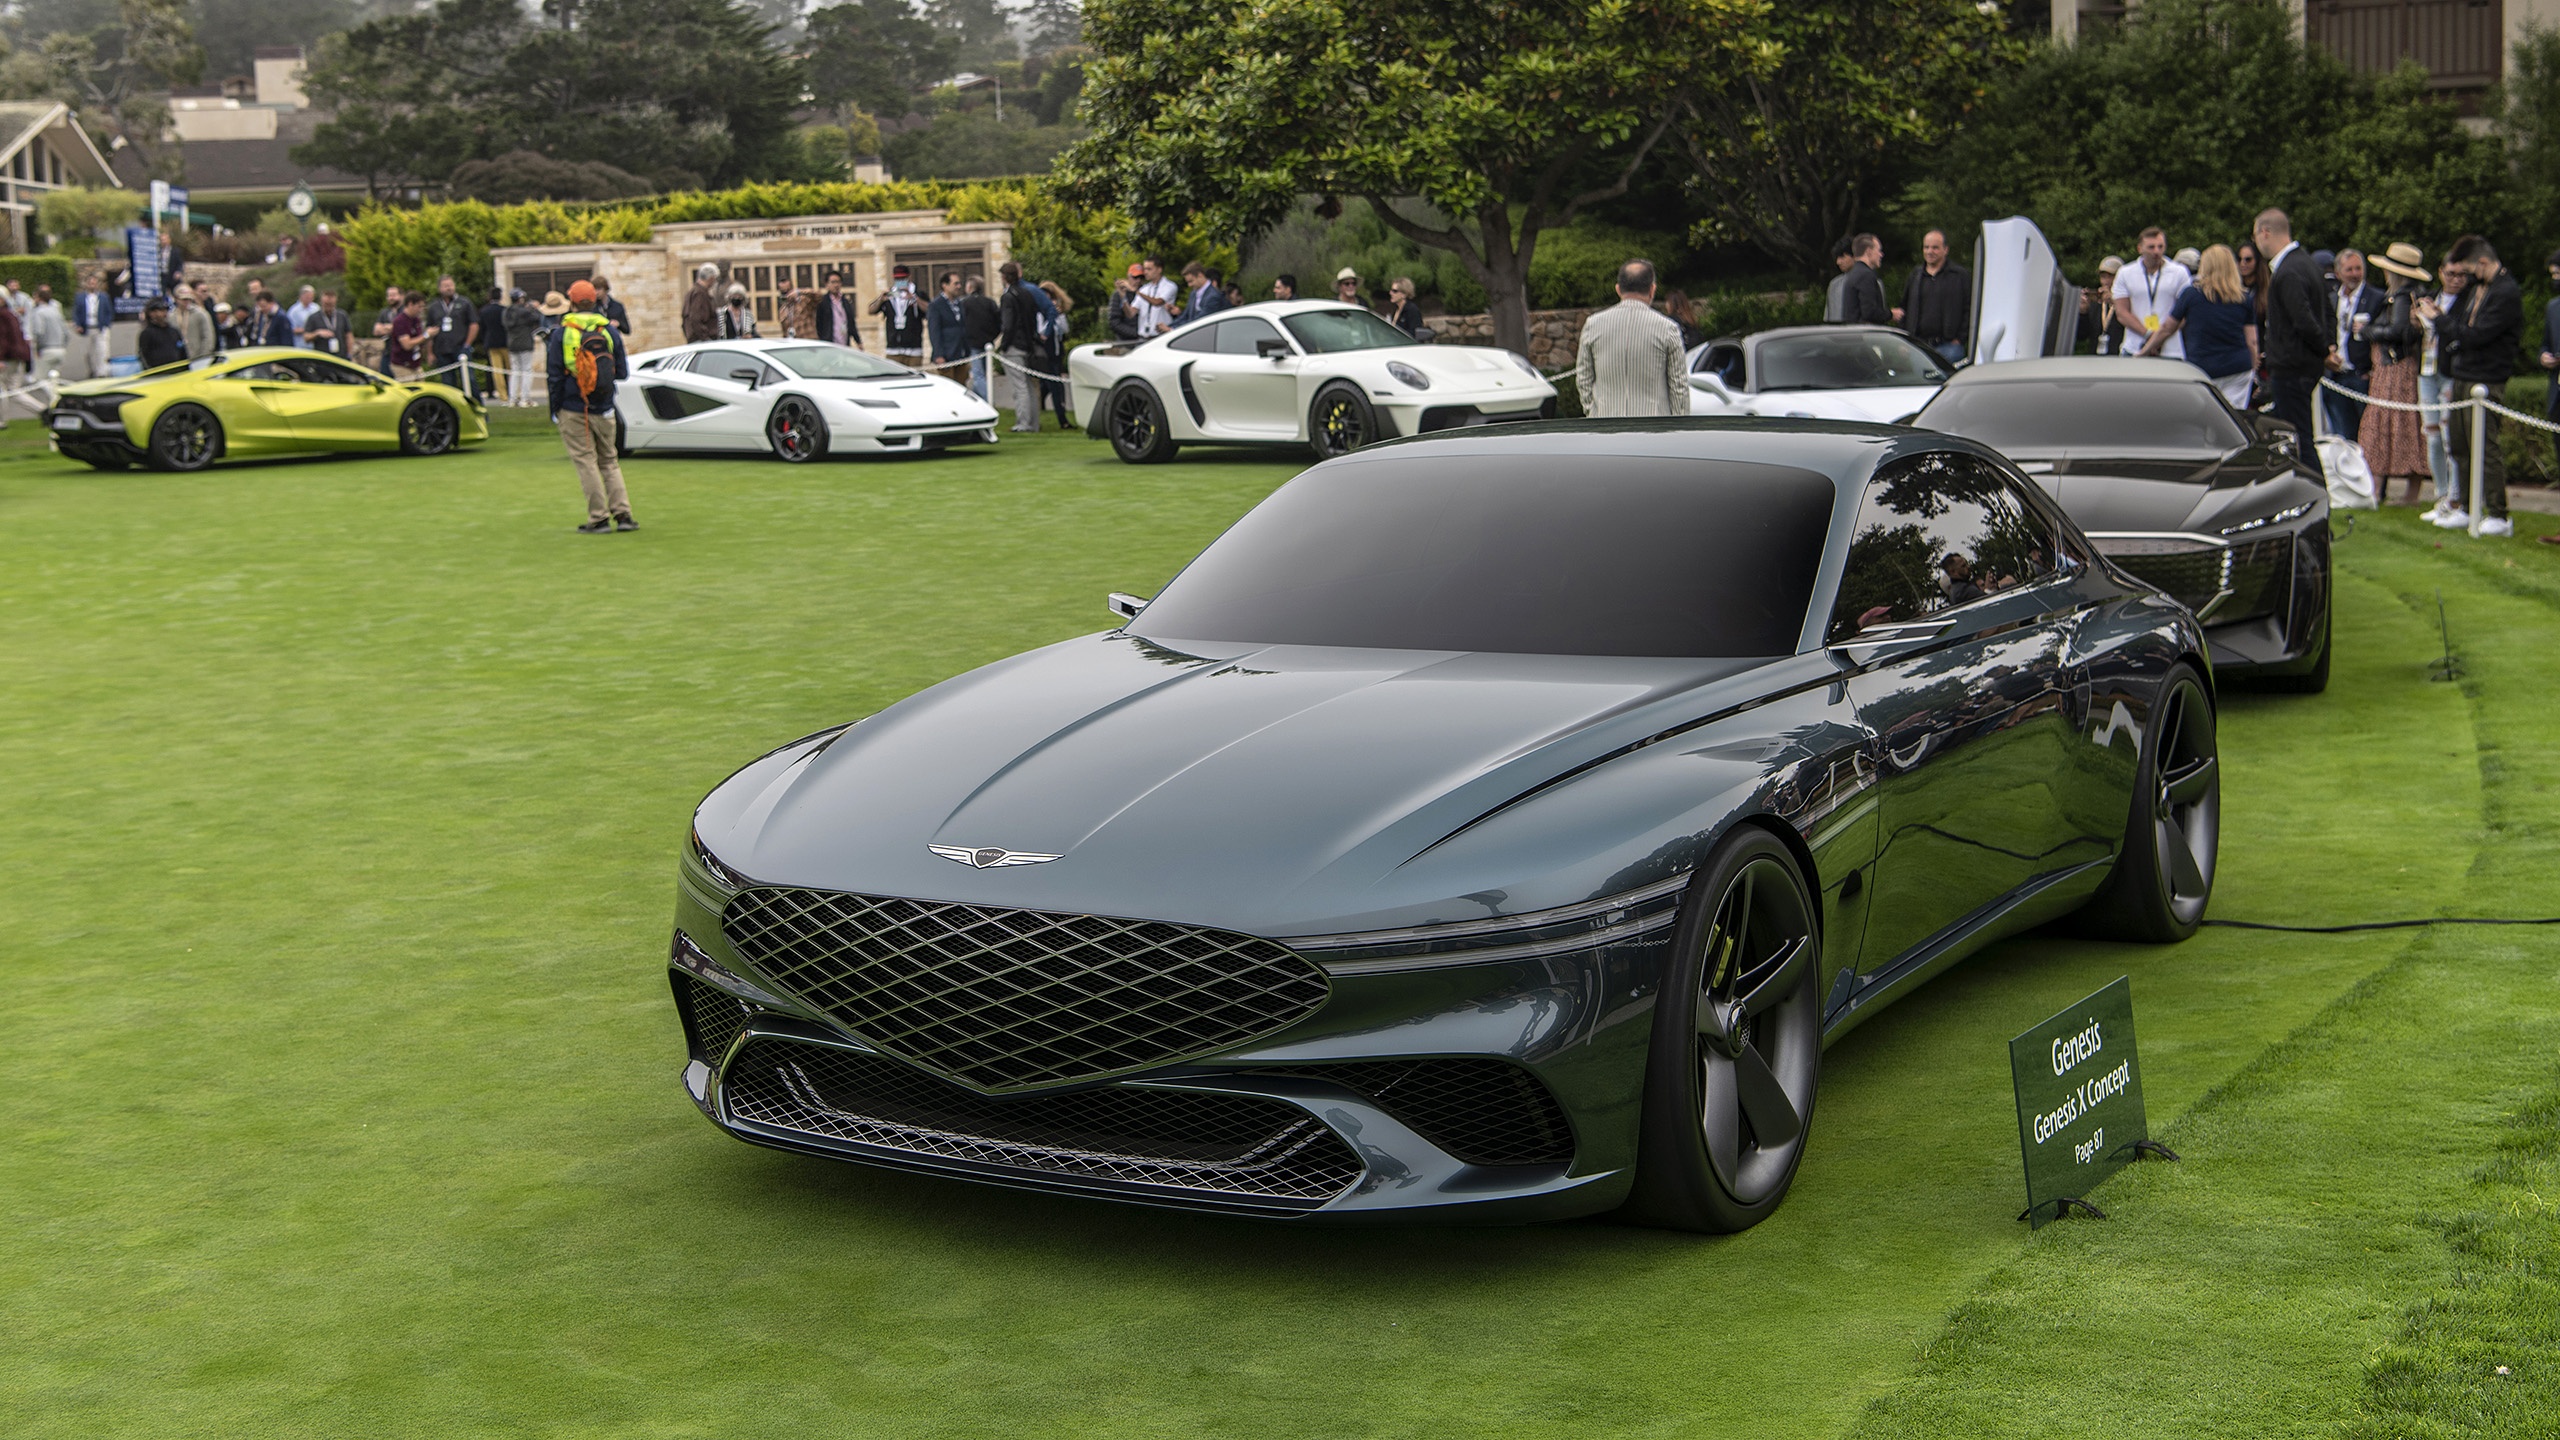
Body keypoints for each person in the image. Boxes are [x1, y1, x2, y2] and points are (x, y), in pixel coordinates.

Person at [2428, 233, 2522, 536]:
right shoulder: (2478, 289)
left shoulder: (2506, 292)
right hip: (2462, 375)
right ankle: (2467, 507)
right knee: (2459, 445)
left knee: (2486, 447)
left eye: (2469, 270)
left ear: (2483, 262)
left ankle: (2499, 514)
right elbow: (2462, 330)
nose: (2465, 277)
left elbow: (2477, 336)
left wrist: (2439, 320)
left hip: (2486, 380)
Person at [548, 280, 634, 533]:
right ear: (595, 301)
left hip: (574, 405)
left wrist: (555, 409)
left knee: (586, 461)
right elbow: (622, 372)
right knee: (610, 461)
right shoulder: (609, 330)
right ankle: (624, 515)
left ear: (572, 302)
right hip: (605, 404)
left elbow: (554, 376)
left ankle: (598, 518)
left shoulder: (562, 333)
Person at [2256, 209, 2331, 485]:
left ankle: (2314, 490)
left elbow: (2303, 319)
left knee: (2298, 436)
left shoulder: (2288, 270)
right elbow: (2327, 311)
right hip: (2303, 363)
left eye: (2256, 235)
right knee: (2294, 431)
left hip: (2293, 365)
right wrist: (2327, 347)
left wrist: (2324, 348)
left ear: (2265, 232)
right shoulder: (2307, 264)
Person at [2358, 242, 2434, 505]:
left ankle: (2378, 491)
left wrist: (2368, 331)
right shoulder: (2411, 296)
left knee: (2385, 427)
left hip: (2394, 370)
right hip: (2395, 368)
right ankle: (2402, 494)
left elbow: (2398, 332)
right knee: (2404, 427)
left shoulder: (2401, 297)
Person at [1573, 259, 1689, 418]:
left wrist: (1593, 412)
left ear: (1618, 289)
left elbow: (1583, 377)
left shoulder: (1593, 325)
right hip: (1655, 429)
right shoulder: (1668, 328)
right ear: (1652, 289)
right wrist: (1680, 425)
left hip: (1606, 426)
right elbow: (1679, 386)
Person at [2144, 245, 2256, 406]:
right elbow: (2252, 341)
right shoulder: (2244, 298)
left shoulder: (2191, 295)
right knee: (2234, 419)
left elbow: (2167, 328)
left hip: (2202, 368)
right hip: (2237, 368)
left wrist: (2144, 351)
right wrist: (2252, 368)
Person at [2320, 249, 2384, 440]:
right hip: (2335, 376)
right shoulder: (2331, 299)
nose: (2355, 274)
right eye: (2349, 270)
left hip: (2361, 376)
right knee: (2342, 433)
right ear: (2338, 273)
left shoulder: (2376, 297)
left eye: (2358, 269)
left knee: (2367, 434)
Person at [2419, 261, 2467, 520]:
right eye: (2451, 274)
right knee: (2433, 436)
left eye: (2461, 275)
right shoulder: (2429, 297)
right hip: (2426, 370)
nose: (2456, 280)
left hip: (2449, 373)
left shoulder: (2466, 302)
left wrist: (2437, 317)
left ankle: (2455, 497)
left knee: (2450, 438)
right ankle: (2441, 494)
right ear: (2441, 273)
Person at [2112, 227, 2192, 360]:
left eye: (2160, 247)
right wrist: (2149, 335)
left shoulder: (2179, 272)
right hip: (2134, 346)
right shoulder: (2125, 273)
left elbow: (2184, 312)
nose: (2157, 251)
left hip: (2171, 349)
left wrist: (2160, 337)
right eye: (2151, 247)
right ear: (2140, 248)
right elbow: (2122, 313)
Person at [1903, 228, 1971, 365]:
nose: (1929, 252)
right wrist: (1904, 340)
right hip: (1918, 346)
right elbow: (1904, 307)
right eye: (1926, 247)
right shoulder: (1916, 276)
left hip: (1949, 346)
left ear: (1945, 249)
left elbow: (1969, 308)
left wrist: (1960, 338)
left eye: (1935, 248)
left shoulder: (1959, 276)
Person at [996, 261, 1044, 433]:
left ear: (1004, 277)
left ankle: (1024, 423)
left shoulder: (1008, 296)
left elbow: (1008, 324)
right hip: (1027, 343)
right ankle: (1033, 423)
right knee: (1028, 386)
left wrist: (1004, 344)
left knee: (1020, 386)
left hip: (1015, 344)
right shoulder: (1026, 293)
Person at [425, 275, 478, 387]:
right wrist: (430, 352)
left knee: (469, 380)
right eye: (445, 286)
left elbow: (474, 324)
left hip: (460, 347)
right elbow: (429, 330)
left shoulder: (464, 303)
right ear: (439, 288)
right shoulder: (434, 306)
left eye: (450, 285)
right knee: (447, 382)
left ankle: (475, 402)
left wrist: (467, 344)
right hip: (442, 349)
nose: (449, 288)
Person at [1037, 279, 1076, 429]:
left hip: (1056, 349)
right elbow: (1041, 330)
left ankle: (1058, 413)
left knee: (1053, 382)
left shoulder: (1056, 312)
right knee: (1054, 385)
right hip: (1046, 350)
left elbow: (1064, 330)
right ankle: (1062, 419)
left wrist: (1058, 316)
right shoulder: (1040, 312)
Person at [1836, 234, 1895, 326]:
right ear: (1869, 252)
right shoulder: (1866, 275)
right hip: (1864, 336)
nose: (1881, 254)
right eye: (1879, 250)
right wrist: (1891, 314)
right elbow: (1869, 312)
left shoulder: (1853, 274)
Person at [870, 264, 924, 364]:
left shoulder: (918, 293)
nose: (901, 281)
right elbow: (871, 310)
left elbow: (929, 310)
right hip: (893, 349)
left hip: (914, 349)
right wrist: (881, 299)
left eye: (903, 278)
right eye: (898, 279)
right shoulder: (891, 294)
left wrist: (914, 298)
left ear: (909, 277)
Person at [961, 274, 1001, 399]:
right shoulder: (990, 303)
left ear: (970, 287)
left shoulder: (964, 303)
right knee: (983, 373)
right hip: (987, 342)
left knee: (978, 374)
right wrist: (992, 336)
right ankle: (976, 397)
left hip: (973, 343)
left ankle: (988, 401)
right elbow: (999, 322)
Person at [503, 288, 543, 405]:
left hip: (512, 343)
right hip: (525, 342)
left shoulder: (507, 312)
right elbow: (537, 317)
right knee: (526, 370)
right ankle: (525, 398)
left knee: (515, 371)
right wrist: (532, 307)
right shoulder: (524, 311)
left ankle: (513, 398)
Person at [25, 282, 64, 398]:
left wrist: (38, 348)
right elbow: (66, 332)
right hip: (60, 348)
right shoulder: (56, 311)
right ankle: (57, 399)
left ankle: (56, 398)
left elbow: (39, 332)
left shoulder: (39, 312)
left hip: (47, 349)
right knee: (53, 379)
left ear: (39, 298)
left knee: (39, 379)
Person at [927, 271, 968, 380]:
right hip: (946, 355)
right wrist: (939, 355)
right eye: (955, 284)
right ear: (945, 285)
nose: (959, 286)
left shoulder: (959, 303)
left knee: (962, 386)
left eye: (959, 283)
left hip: (961, 354)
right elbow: (934, 331)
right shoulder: (935, 305)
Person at [72, 273, 111, 380]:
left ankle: (102, 372)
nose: (92, 285)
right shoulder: (80, 297)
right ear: (86, 284)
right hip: (87, 328)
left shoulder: (103, 296)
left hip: (100, 327)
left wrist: (106, 324)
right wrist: (77, 325)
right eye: (90, 283)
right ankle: (92, 370)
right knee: (88, 352)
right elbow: (76, 312)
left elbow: (108, 311)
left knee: (102, 351)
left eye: (94, 283)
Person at [811, 270, 860, 348]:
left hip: (844, 343)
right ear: (827, 284)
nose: (836, 285)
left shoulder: (845, 302)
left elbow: (851, 323)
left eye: (838, 282)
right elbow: (818, 323)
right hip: (829, 344)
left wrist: (858, 341)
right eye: (833, 282)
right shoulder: (823, 302)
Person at [386, 292, 429, 379]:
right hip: (402, 365)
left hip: (416, 364)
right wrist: (426, 335)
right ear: (410, 304)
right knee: (409, 391)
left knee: (422, 389)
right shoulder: (400, 321)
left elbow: (418, 338)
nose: (421, 310)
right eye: (419, 306)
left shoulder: (416, 320)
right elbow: (407, 345)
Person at [135, 297, 184, 371]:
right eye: (160, 310)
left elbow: (182, 352)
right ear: (151, 314)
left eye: (165, 310)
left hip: (177, 373)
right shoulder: (147, 333)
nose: (163, 313)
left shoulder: (174, 332)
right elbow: (143, 356)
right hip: (158, 375)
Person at [304, 290, 353, 361]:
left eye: (331, 304)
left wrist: (349, 353)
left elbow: (349, 335)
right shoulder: (313, 317)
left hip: (341, 357)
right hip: (322, 358)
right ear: (322, 302)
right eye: (326, 304)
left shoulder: (342, 315)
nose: (329, 307)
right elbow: (306, 337)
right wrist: (317, 333)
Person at [1134, 257, 1178, 337]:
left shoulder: (1169, 286)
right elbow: (1131, 313)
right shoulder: (1144, 289)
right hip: (1143, 336)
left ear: (1159, 270)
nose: (1145, 272)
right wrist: (1123, 297)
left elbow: (1157, 302)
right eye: (1145, 269)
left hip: (1161, 335)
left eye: (1149, 269)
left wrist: (1136, 291)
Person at [476, 284, 508, 392]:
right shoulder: (504, 310)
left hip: (491, 342)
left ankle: (502, 394)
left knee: (497, 370)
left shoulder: (484, 311)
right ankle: (511, 392)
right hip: (505, 342)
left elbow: (482, 328)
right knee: (509, 369)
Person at [682, 263, 720, 344]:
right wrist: (705, 338)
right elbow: (695, 318)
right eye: (714, 279)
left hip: (696, 339)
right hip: (701, 340)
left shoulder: (693, 292)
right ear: (711, 278)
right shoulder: (700, 294)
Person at [371, 285, 405, 375]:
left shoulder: (405, 311)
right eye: (389, 295)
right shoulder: (385, 312)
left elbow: (404, 328)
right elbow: (376, 330)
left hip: (402, 354)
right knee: (385, 380)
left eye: (394, 295)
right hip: (388, 351)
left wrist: (390, 328)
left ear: (402, 296)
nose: (391, 298)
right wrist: (392, 328)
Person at [1822, 238, 1855, 323]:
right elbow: (1828, 316)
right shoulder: (1834, 284)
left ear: (1855, 256)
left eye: (1842, 256)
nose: (1838, 262)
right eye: (1837, 257)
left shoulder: (1872, 282)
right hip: (1837, 334)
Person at [177, 288, 215, 361]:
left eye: (188, 299)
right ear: (177, 299)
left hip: (197, 356)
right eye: (184, 299)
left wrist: (204, 355)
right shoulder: (171, 316)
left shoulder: (200, 314)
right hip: (179, 358)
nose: (186, 302)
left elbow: (208, 335)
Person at [775, 273, 807, 340]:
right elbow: (784, 332)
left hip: (808, 341)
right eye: (783, 293)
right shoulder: (782, 311)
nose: (787, 295)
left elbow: (818, 295)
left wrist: (799, 292)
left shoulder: (804, 301)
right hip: (794, 343)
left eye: (788, 292)